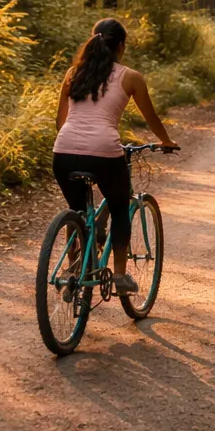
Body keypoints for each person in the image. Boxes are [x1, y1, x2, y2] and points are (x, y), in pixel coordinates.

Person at [53, 18, 178, 294]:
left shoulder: (74, 73)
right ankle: (120, 276)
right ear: (121, 46)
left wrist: (76, 140)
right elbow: (151, 118)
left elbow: (60, 123)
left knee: (77, 211)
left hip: (63, 151)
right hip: (104, 152)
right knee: (120, 207)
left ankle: (74, 270)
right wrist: (166, 141)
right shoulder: (130, 77)